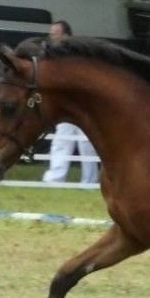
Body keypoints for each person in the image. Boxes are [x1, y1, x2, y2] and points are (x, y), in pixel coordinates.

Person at [42, 20, 99, 184]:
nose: (51, 37)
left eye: (55, 33)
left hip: (82, 104)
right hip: (65, 105)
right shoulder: (52, 55)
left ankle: (89, 180)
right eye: (51, 33)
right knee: (61, 140)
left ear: (65, 35)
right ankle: (55, 178)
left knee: (86, 143)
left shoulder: (77, 54)